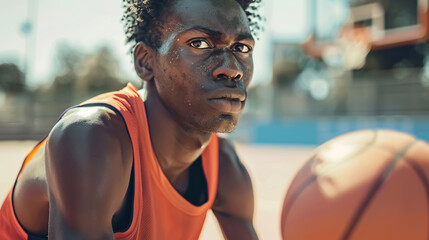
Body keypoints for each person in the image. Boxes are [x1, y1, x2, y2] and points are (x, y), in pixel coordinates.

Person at [0, 0, 262, 239]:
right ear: (146, 62)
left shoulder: (224, 167)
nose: (231, 68)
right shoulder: (91, 137)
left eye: (241, 48)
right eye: (199, 43)